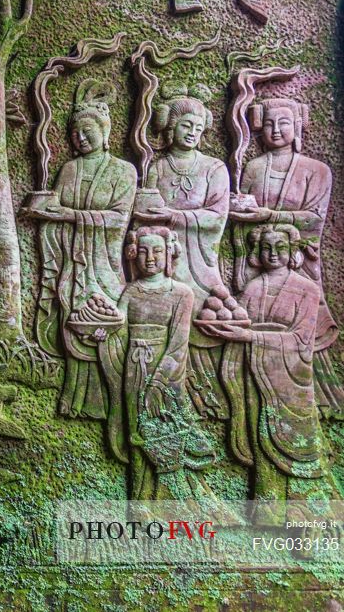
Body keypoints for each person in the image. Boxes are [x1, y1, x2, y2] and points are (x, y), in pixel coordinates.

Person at [205, 224, 342, 526]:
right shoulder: (254, 288)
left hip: (290, 379)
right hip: (256, 373)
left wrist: (250, 337)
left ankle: (312, 512)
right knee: (261, 441)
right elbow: (238, 321)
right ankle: (268, 512)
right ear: (257, 253)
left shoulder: (307, 289)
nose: (273, 254)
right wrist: (228, 328)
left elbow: (302, 340)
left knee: (299, 444)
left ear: (293, 251)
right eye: (266, 248)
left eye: (280, 247)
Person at [31, 80, 137, 422]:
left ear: (105, 132)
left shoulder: (124, 171)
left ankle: (110, 399)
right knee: (72, 323)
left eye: (88, 130)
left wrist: (70, 215)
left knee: (104, 323)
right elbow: (56, 213)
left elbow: (119, 219)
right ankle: (76, 399)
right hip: (72, 260)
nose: (80, 137)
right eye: (75, 131)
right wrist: (47, 217)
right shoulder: (69, 170)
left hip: (103, 261)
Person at [232, 97, 342, 418]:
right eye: (269, 124)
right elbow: (244, 217)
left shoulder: (316, 170)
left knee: (300, 326)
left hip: (297, 259)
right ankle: (258, 391)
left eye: (283, 123)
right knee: (258, 322)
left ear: (297, 128)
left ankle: (318, 392)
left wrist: (271, 215)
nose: (276, 130)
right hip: (258, 257)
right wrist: (242, 256)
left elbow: (314, 219)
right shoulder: (254, 168)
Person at [99, 227, 226, 504]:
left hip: (167, 372)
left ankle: (178, 497)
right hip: (135, 367)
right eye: (143, 252)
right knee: (138, 428)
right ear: (133, 256)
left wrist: (158, 382)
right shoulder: (132, 290)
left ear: (169, 254)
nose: (150, 258)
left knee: (168, 426)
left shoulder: (181, 293)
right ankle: (143, 499)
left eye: (157, 251)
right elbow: (117, 324)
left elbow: (179, 344)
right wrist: (102, 331)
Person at [135, 88, 230, 419]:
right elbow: (144, 212)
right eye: (186, 125)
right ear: (169, 127)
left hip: (199, 255)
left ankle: (207, 394)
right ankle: (168, 393)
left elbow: (217, 216)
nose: (192, 133)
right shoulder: (157, 168)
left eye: (198, 128)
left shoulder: (214, 167)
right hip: (162, 255)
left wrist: (173, 215)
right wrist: (154, 217)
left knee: (202, 314)